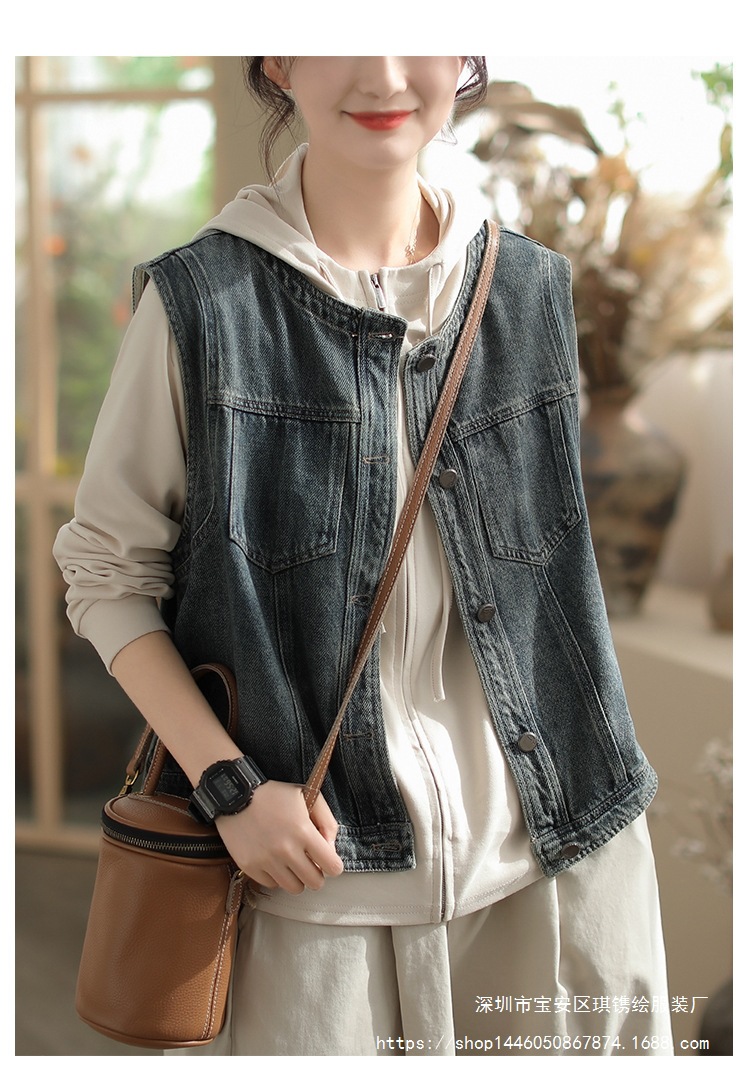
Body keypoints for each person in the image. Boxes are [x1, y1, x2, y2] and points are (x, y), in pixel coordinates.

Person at [54, 56, 673, 1057]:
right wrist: (230, 789)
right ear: (279, 57)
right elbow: (106, 576)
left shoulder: (531, 289)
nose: (383, 72)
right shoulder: (202, 307)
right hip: (317, 890)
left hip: (559, 861)